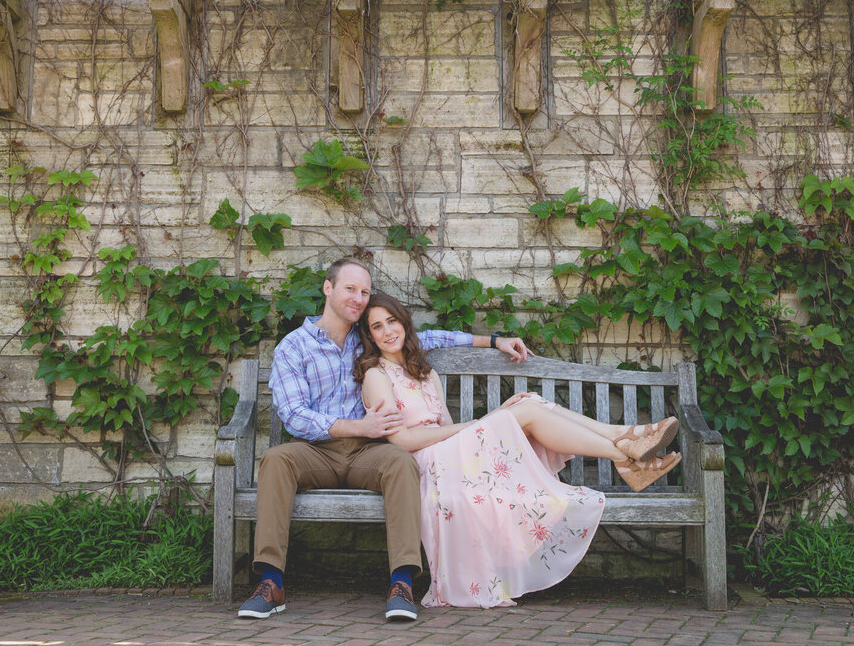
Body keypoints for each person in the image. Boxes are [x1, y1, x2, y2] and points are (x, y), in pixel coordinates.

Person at [237, 258, 532, 622]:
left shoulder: (368, 338)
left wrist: (495, 340)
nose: (359, 298)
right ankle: (271, 583)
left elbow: (430, 337)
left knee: (400, 462)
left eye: (364, 291)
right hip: (317, 452)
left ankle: (402, 582)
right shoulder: (293, 347)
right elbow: (294, 413)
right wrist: (358, 426)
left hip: (370, 454)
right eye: (350, 289)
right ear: (328, 289)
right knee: (277, 459)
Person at [355, 292, 681, 609]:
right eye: (377, 327)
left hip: (452, 458)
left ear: (404, 323)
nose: (387, 331)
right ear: (369, 336)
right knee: (526, 406)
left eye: (392, 321)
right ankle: (625, 446)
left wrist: (479, 425)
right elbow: (401, 441)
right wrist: (479, 424)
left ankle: (624, 449)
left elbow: (448, 426)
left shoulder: (427, 373)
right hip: (424, 466)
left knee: (527, 402)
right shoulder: (376, 375)